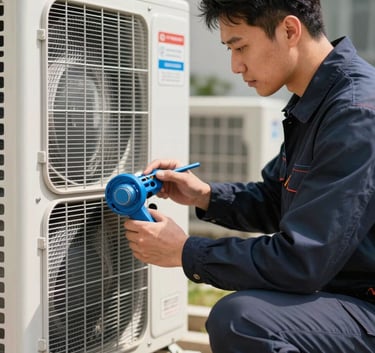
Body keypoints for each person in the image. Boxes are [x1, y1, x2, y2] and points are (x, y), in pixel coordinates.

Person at [124, 1, 375, 352]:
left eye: (241, 47)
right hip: (348, 295)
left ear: (289, 30)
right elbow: (277, 200)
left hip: (366, 305)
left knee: (241, 319)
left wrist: (185, 251)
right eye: (229, 49)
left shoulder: (355, 112)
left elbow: (304, 260)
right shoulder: (319, 101)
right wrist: (205, 195)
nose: (235, 65)